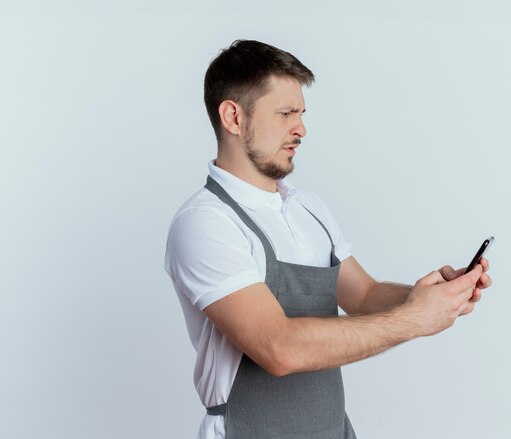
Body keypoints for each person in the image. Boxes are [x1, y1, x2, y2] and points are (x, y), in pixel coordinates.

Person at [164, 39, 492, 439]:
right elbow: (278, 348)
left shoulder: (308, 209)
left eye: (301, 114)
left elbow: (364, 296)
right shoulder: (205, 223)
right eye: (285, 113)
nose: (301, 129)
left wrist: (431, 296)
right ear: (233, 117)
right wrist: (414, 319)